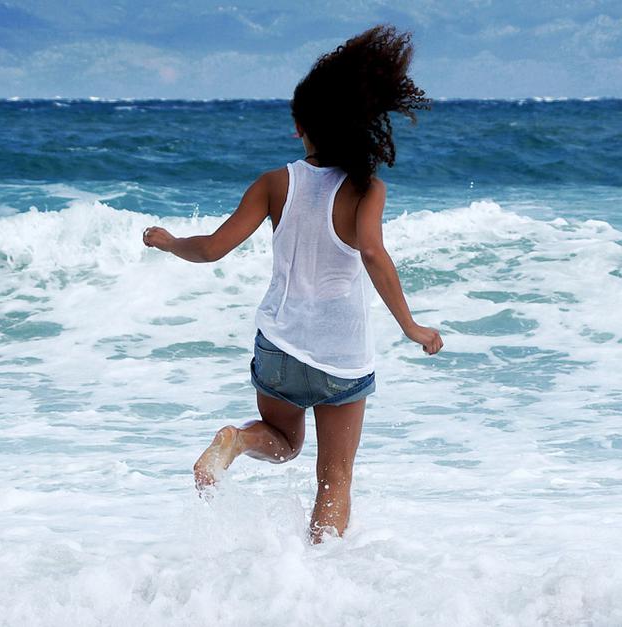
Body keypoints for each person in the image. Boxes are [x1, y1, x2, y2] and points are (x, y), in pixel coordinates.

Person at [141, 24, 443, 543]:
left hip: (279, 346)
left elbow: (212, 248)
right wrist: (412, 327)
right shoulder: (367, 189)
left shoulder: (275, 182)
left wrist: (170, 242)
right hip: (341, 357)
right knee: (334, 478)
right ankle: (322, 574)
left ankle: (236, 442)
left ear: (301, 127)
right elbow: (372, 252)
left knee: (283, 441)